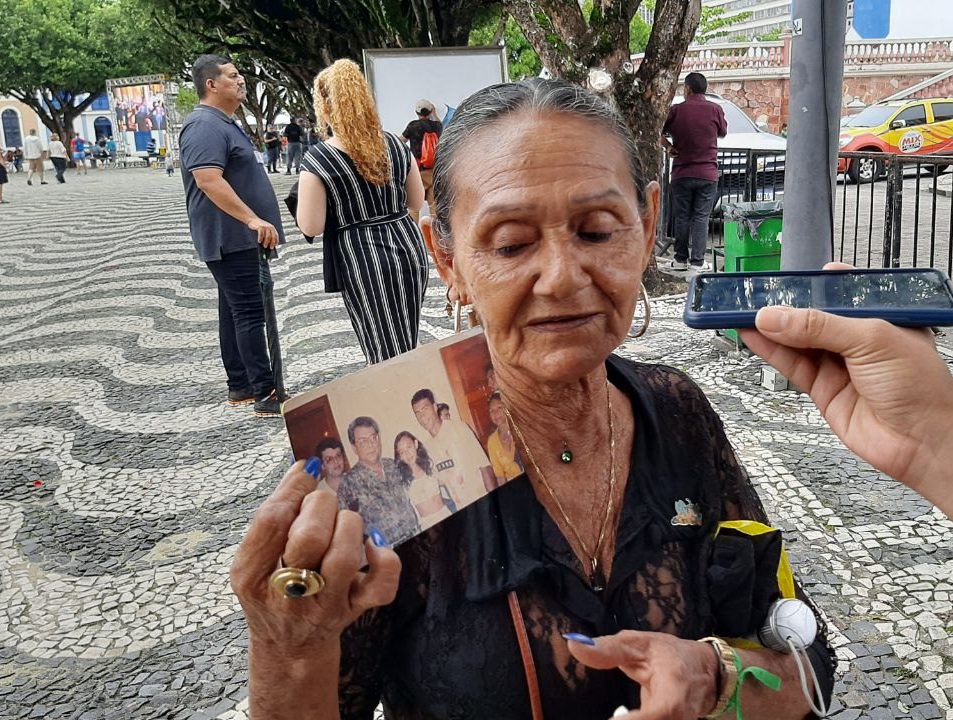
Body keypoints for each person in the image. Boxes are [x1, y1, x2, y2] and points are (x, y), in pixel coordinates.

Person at [231, 79, 835, 720]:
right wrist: (286, 648)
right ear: (448, 258)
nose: (563, 276)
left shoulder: (678, 409)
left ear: (649, 223)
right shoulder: (387, 478)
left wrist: (718, 675)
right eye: (512, 244)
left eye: (598, 231)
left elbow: (801, 649)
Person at [295, 59, 429, 365]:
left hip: (362, 255)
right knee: (406, 339)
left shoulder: (319, 159)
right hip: (407, 246)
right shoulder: (395, 144)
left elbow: (311, 225)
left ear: (326, 107)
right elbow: (417, 200)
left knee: (383, 351)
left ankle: (397, 406)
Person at [178, 53, 284, 417]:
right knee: (249, 313)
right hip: (231, 236)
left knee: (234, 309)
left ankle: (240, 385)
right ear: (211, 84)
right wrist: (252, 219)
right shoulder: (204, 125)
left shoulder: (224, 122)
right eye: (233, 75)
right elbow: (208, 180)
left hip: (237, 237)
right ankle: (264, 391)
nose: (241, 81)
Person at [662, 71, 727, 275]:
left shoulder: (675, 110)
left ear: (687, 89)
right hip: (707, 173)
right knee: (701, 217)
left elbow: (658, 130)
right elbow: (723, 132)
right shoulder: (715, 110)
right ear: (704, 89)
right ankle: (698, 262)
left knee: (682, 216)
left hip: (681, 172)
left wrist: (668, 146)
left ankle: (680, 259)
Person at [339, 417, 420, 542]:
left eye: (373, 438)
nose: (370, 445)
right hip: (388, 553)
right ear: (354, 447)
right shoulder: (348, 484)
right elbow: (347, 531)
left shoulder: (393, 465)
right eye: (362, 441)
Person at [411, 389, 494, 508]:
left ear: (435, 407)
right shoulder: (427, 447)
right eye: (417, 413)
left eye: (425, 409)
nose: (422, 416)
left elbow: (485, 466)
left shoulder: (459, 428)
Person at [394, 431, 454, 530]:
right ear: (399, 456)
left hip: (445, 513)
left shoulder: (430, 465)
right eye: (402, 452)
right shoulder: (402, 480)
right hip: (428, 524)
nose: (407, 454)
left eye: (409, 447)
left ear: (416, 444)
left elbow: (449, 482)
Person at [400, 99, 442, 218]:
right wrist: (434, 114)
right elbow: (439, 123)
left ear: (417, 112)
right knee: (433, 206)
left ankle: (414, 235)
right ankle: (435, 234)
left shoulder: (413, 126)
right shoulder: (437, 126)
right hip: (434, 171)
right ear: (430, 112)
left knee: (414, 207)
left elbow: (401, 140)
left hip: (418, 171)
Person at [485, 391, 524, 485]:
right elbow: (500, 476)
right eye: (491, 410)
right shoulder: (492, 441)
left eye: (499, 407)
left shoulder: (521, 429)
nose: (495, 413)